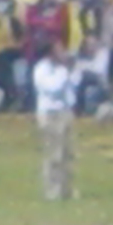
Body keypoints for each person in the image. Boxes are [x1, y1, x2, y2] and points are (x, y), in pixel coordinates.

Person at [32, 39, 79, 200]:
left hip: (65, 111)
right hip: (50, 113)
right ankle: (52, 190)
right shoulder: (42, 69)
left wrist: (72, 70)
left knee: (68, 153)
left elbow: (74, 85)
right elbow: (53, 89)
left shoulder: (62, 69)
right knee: (54, 154)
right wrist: (65, 71)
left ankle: (67, 189)